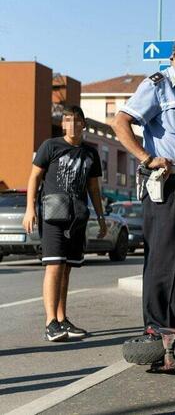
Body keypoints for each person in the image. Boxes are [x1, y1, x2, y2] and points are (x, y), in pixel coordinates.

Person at [112, 33, 175, 343]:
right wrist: (147, 157)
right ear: (172, 58)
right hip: (167, 185)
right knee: (164, 259)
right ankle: (157, 329)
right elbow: (120, 122)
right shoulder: (157, 84)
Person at [22, 106, 106, 341]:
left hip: (77, 217)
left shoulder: (91, 153)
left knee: (67, 268)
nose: (72, 124)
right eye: (67, 120)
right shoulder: (51, 146)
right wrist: (30, 209)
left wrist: (100, 218)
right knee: (55, 266)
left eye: (77, 120)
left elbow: (93, 188)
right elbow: (34, 177)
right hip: (52, 215)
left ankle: (61, 318)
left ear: (84, 124)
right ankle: (50, 322)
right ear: (63, 125)